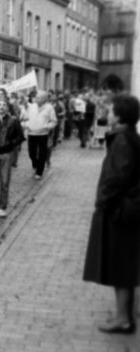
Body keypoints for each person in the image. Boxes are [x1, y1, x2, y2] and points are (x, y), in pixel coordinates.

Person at [83, 94, 140, 335]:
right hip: (125, 210)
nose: (108, 110)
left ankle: (123, 319)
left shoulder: (123, 141)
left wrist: (103, 204)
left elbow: (116, 178)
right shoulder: (127, 137)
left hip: (120, 213)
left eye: (112, 109)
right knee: (123, 266)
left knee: (121, 267)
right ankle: (123, 315)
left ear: (120, 115)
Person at [22, 91, 57, 179]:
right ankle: (36, 163)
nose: (36, 99)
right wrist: (26, 125)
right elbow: (25, 118)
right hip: (32, 133)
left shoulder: (49, 108)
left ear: (44, 99)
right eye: (36, 97)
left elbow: (54, 121)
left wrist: (46, 127)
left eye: (38, 97)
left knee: (42, 153)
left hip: (43, 134)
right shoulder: (31, 107)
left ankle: (39, 172)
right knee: (31, 153)